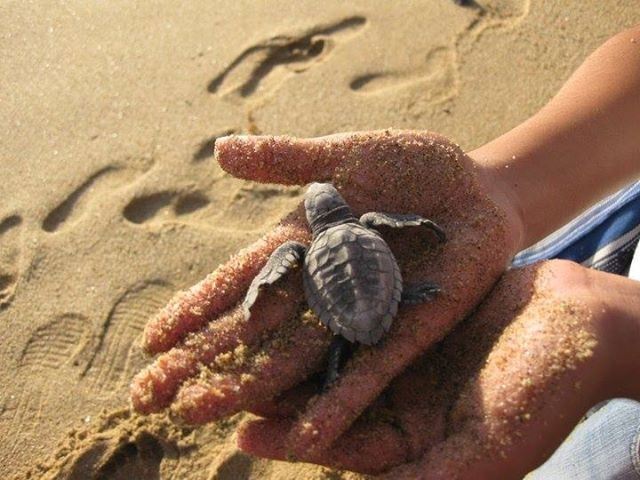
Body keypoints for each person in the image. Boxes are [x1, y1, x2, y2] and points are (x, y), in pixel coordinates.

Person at [130, 23, 640, 479]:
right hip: (585, 261)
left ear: (317, 219)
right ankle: (396, 313)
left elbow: (280, 267)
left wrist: (258, 292)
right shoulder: (368, 225)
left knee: (351, 341)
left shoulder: (305, 250)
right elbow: (397, 225)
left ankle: (350, 352)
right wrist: (497, 192)